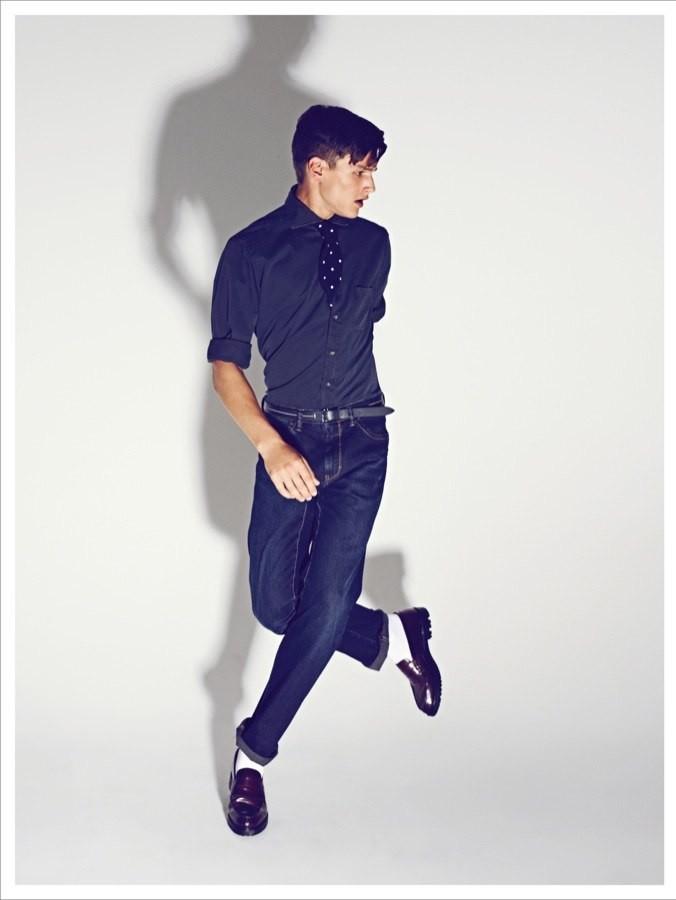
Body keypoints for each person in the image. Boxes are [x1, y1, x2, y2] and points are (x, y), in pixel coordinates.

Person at [207, 105, 442, 837]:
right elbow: (226, 366)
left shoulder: (376, 245)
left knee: (324, 601)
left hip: (363, 443)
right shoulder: (250, 252)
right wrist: (273, 447)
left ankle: (253, 756)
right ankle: (389, 637)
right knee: (278, 607)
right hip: (290, 439)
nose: (371, 186)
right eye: (361, 171)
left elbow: (354, 330)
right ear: (318, 167)